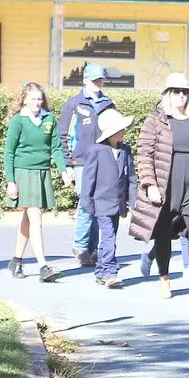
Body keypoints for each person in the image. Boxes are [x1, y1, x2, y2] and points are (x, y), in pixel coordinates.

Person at [128, 73, 189, 301]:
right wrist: (149, 184)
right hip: (166, 184)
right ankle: (164, 278)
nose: (181, 96)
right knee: (162, 233)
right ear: (167, 95)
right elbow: (144, 154)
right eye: (176, 92)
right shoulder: (155, 120)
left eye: (185, 92)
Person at [2, 82, 67, 282]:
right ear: (24, 99)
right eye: (33, 99)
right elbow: (9, 152)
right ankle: (43, 266)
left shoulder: (50, 119)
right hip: (24, 173)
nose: (37, 102)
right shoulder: (18, 121)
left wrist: (64, 170)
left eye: (39, 98)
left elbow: (56, 147)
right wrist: (11, 181)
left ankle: (16, 260)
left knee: (29, 218)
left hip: (43, 172)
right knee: (36, 217)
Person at [57, 63, 115, 267]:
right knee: (85, 204)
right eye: (94, 80)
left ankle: (93, 249)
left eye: (100, 80)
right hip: (82, 161)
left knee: (100, 205)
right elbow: (62, 136)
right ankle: (80, 247)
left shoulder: (109, 103)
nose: (98, 83)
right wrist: (67, 164)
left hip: (104, 161)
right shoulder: (74, 104)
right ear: (85, 80)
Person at [81, 108, 136, 288]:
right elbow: (88, 179)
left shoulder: (125, 150)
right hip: (101, 202)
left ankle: (101, 271)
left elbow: (131, 178)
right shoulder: (97, 151)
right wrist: (87, 202)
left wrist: (133, 201)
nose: (124, 132)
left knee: (108, 236)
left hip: (118, 204)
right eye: (120, 129)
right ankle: (110, 271)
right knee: (108, 236)